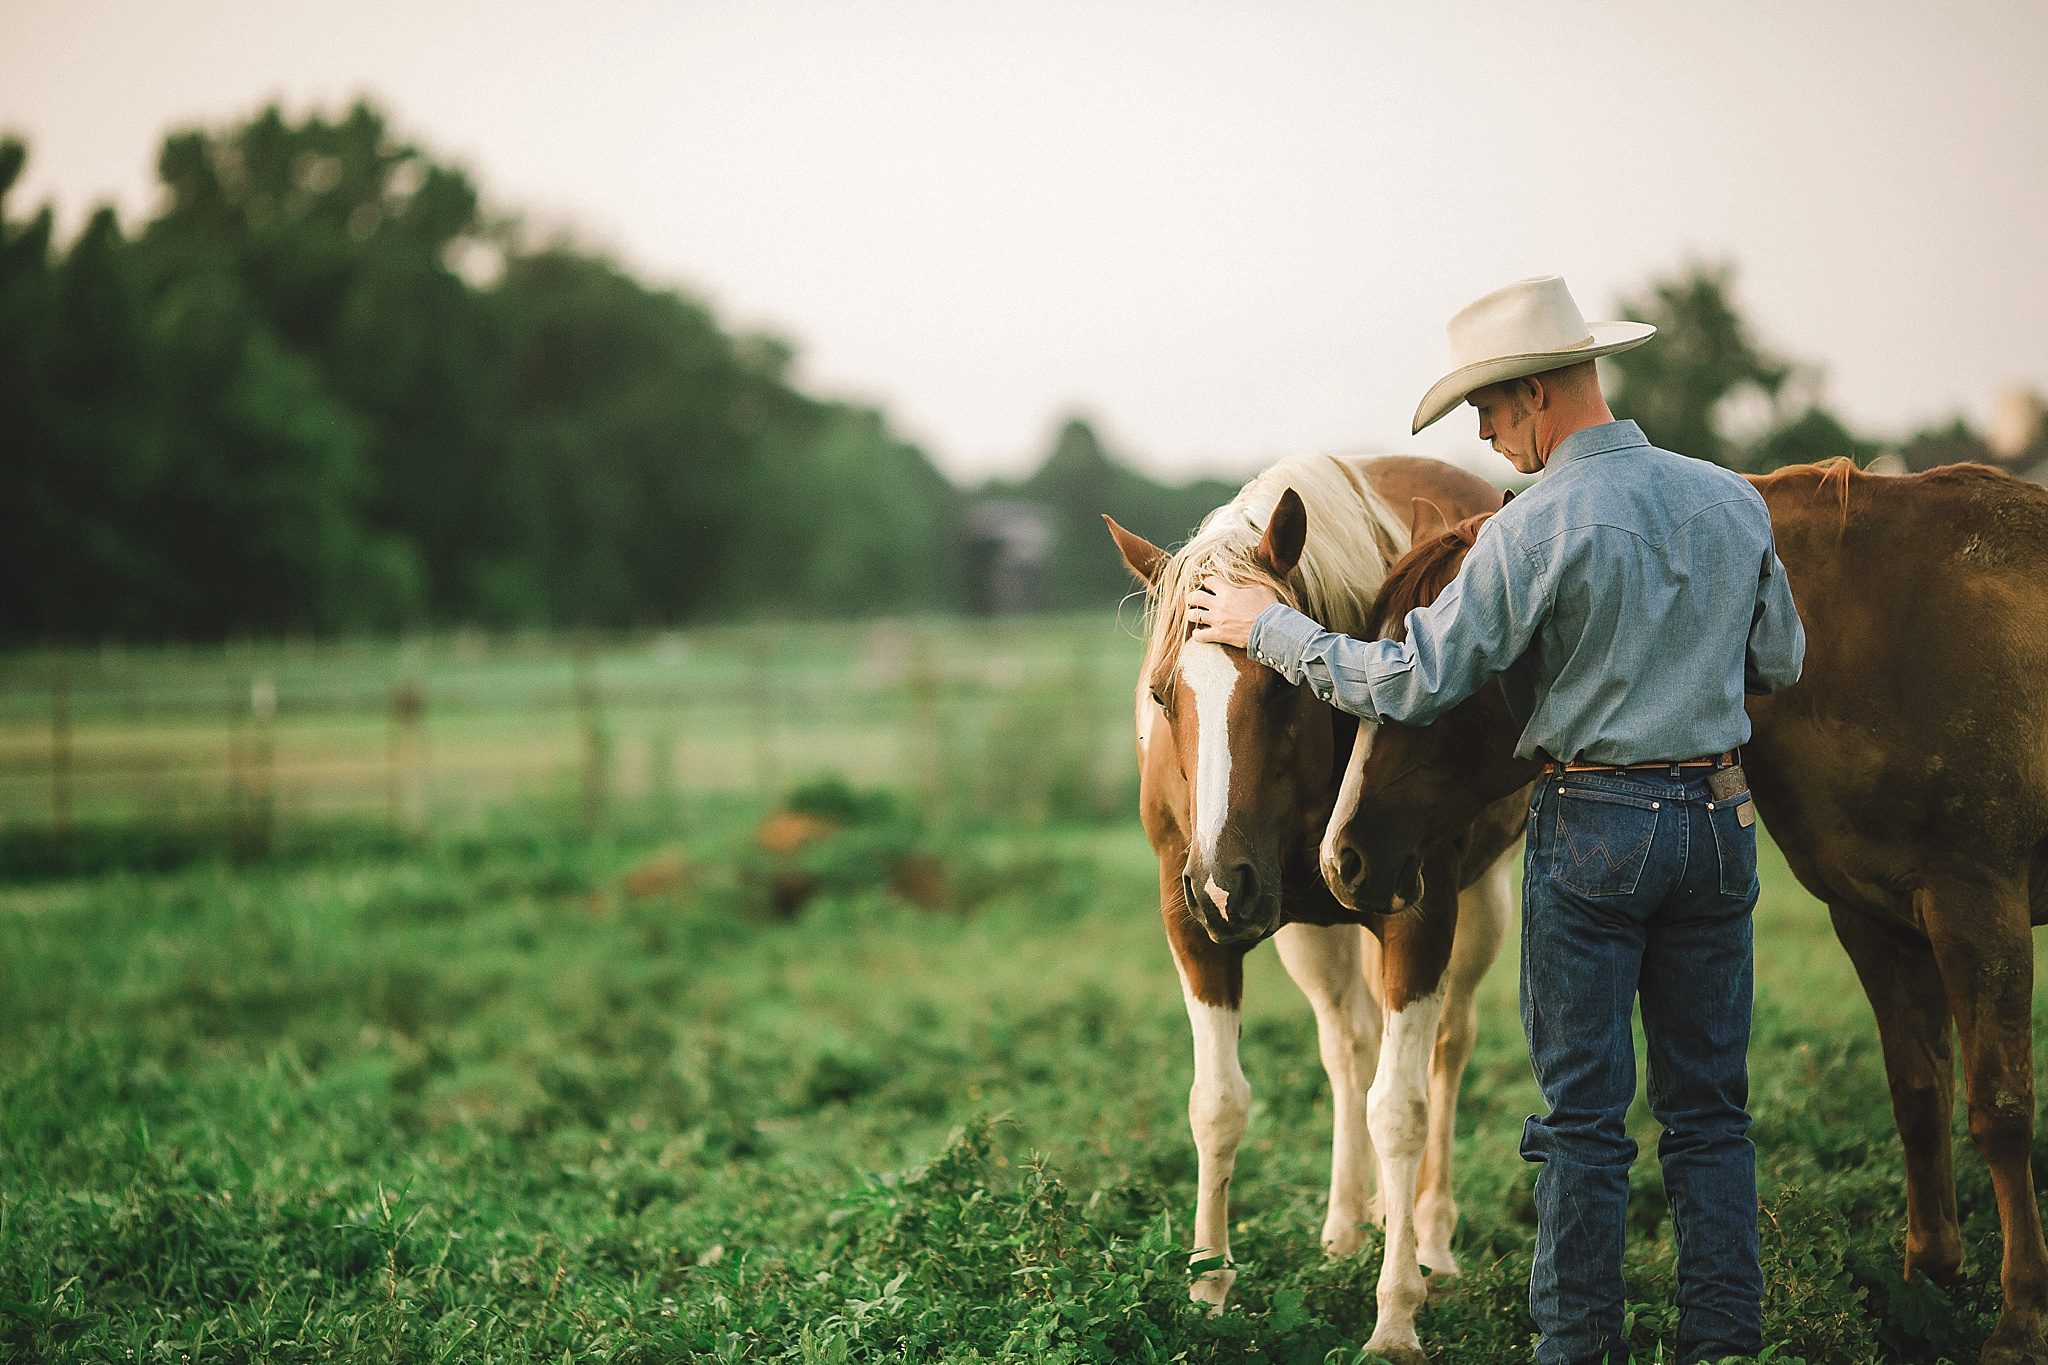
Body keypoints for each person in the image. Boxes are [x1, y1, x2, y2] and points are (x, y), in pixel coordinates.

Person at [1186, 274, 1805, 1365]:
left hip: (1595, 826)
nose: (1479, 435)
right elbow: (1778, 662)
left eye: (1485, 409)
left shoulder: (1524, 533)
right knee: (1710, 1115)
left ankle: (1575, 1350)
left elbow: (1408, 686)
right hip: (1716, 821)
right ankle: (1721, 1346)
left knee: (1580, 1122)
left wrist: (1266, 625)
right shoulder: (1729, 501)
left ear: (1533, 396)